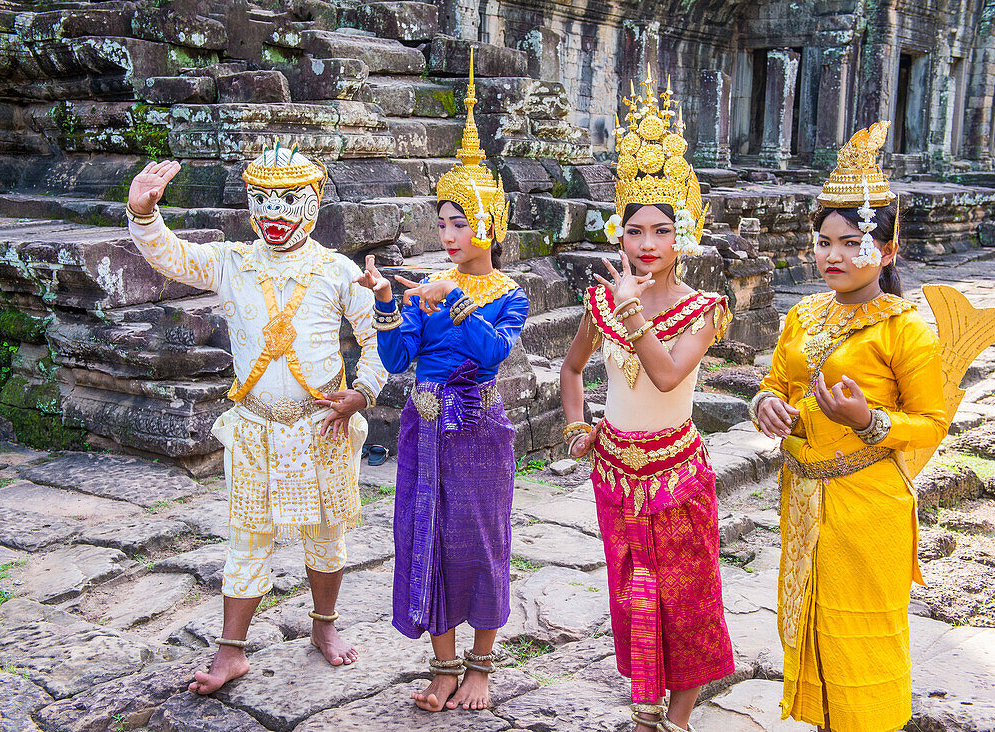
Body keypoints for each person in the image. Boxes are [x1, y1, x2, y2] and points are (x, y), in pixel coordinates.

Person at [124, 144, 386, 694]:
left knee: (326, 532)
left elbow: (374, 340)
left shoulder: (337, 271)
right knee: (247, 537)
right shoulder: (230, 261)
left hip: (322, 427)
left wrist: (362, 392)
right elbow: (171, 257)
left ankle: (324, 628)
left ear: (313, 203)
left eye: (289, 201)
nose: (274, 214)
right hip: (254, 426)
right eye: (262, 200)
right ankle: (231, 651)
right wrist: (145, 214)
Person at [750, 121, 949, 731]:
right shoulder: (803, 316)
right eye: (823, 241)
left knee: (861, 635)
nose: (832, 255)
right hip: (805, 496)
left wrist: (869, 421)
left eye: (851, 241)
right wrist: (765, 406)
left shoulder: (905, 328)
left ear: (887, 251)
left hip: (869, 503)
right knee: (808, 624)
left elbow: (933, 421)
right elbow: (777, 386)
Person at [559, 70, 735, 732]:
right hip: (614, 472)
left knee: (686, 599)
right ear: (619, 232)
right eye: (636, 231)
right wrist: (579, 430)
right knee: (635, 595)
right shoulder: (602, 301)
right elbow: (572, 371)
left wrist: (635, 320)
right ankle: (645, 707)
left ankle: (680, 715)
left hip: (677, 473)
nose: (647, 246)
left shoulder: (705, 309)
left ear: (681, 235)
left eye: (661, 231)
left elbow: (666, 379)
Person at [356, 48, 529, 713]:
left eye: (460, 222)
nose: (448, 232)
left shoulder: (507, 292)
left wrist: (451, 300)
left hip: (478, 426)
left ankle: (482, 666)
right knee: (423, 536)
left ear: (488, 224)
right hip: (422, 428)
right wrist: (388, 305)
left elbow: (490, 356)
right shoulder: (428, 284)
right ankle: (442, 663)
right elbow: (399, 362)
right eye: (443, 221)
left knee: (478, 541)